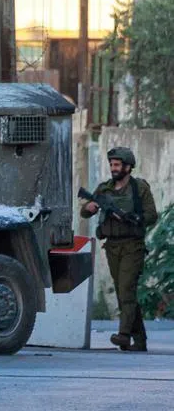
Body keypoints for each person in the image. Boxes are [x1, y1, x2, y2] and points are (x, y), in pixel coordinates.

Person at [80, 146, 158, 352]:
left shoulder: (139, 188)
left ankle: (124, 335)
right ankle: (139, 341)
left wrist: (134, 218)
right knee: (125, 293)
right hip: (112, 247)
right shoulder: (104, 189)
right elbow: (84, 212)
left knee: (126, 290)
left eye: (117, 165)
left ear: (128, 167)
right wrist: (89, 207)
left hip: (133, 246)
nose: (113, 168)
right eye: (112, 165)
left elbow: (152, 215)